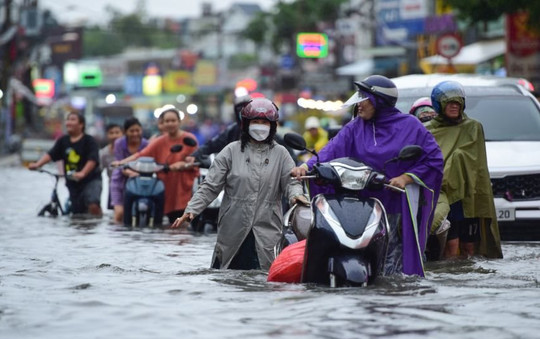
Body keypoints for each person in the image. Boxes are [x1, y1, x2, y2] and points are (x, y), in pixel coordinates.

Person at [291, 75, 444, 277]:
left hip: (395, 205)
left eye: (364, 98)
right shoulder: (355, 127)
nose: (359, 104)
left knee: (393, 267)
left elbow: (434, 160)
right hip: (361, 204)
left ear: (379, 102)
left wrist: (406, 178)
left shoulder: (411, 126)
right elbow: (330, 151)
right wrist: (305, 166)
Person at [171, 98, 307, 271]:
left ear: (272, 125)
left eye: (264, 122)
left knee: (264, 278)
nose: (260, 126)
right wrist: (191, 211)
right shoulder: (230, 151)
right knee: (227, 278)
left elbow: (291, 181)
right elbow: (210, 186)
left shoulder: (281, 154)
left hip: (267, 228)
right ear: (246, 124)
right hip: (233, 225)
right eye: (255, 121)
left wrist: (297, 196)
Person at [425, 81, 503, 259]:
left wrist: (458, 160)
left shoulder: (473, 127)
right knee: (450, 246)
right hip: (444, 195)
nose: (454, 106)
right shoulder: (427, 131)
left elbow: (477, 162)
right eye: (450, 103)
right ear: (439, 104)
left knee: (469, 247)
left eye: (457, 103)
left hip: (468, 195)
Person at [112, 108, 199, 224]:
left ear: (179, 121)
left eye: (173, 120)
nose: (170, 124)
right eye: (167, 121)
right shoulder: (159, 141)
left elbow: (196, 160)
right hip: (167, 189)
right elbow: (141, 154)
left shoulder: (189, 139)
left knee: (183, 223)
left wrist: (182, 165)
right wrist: (122, 162)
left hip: (184, 188)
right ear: (163, 123)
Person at [29, 111, 103, 216]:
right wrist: (38, 164)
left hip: (90, 180)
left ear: (81, 124)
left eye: (73, 119)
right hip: (72, 181)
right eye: (68, 120)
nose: (69, 122)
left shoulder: (89, 141)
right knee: (77, 212)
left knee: (93, 204)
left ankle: (97, 224)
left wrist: (82, 173)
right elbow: (51, 154)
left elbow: (93, 160)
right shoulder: (63, 141)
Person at [110, 117, 149, 223]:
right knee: (119, 213)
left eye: (137, 130)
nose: (135, 134)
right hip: (120, 180)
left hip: (140, 181)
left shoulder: (146, 144)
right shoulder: (119, 143)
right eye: (132, 131)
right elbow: (119, 164)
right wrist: (130, 172)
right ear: (125, 132)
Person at [99, 124, 123, 210]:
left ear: (122, 133)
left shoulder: (128, 149)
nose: (114, 135)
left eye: (117, 132)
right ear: (107, 135)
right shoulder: (104, 153)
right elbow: (99, 171)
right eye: (111, 133)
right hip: (113, 187)